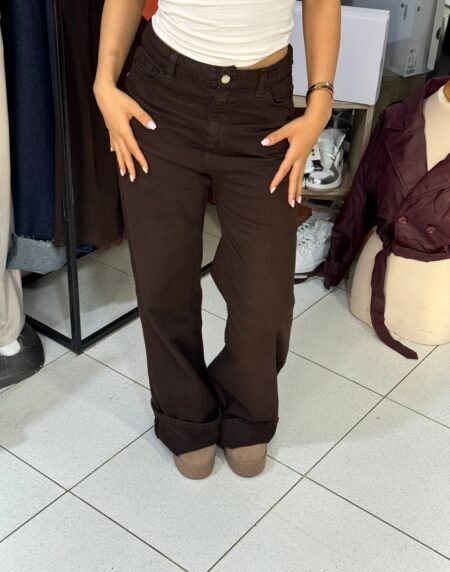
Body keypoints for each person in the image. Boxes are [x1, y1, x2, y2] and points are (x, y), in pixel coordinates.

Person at [94, 0, 340, 479]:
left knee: (266, 291)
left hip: (262, 109)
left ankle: (246, 411)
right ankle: (185, 417)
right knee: (163, 279)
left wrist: (320, 101)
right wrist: (105, 82)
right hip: (163, 97)